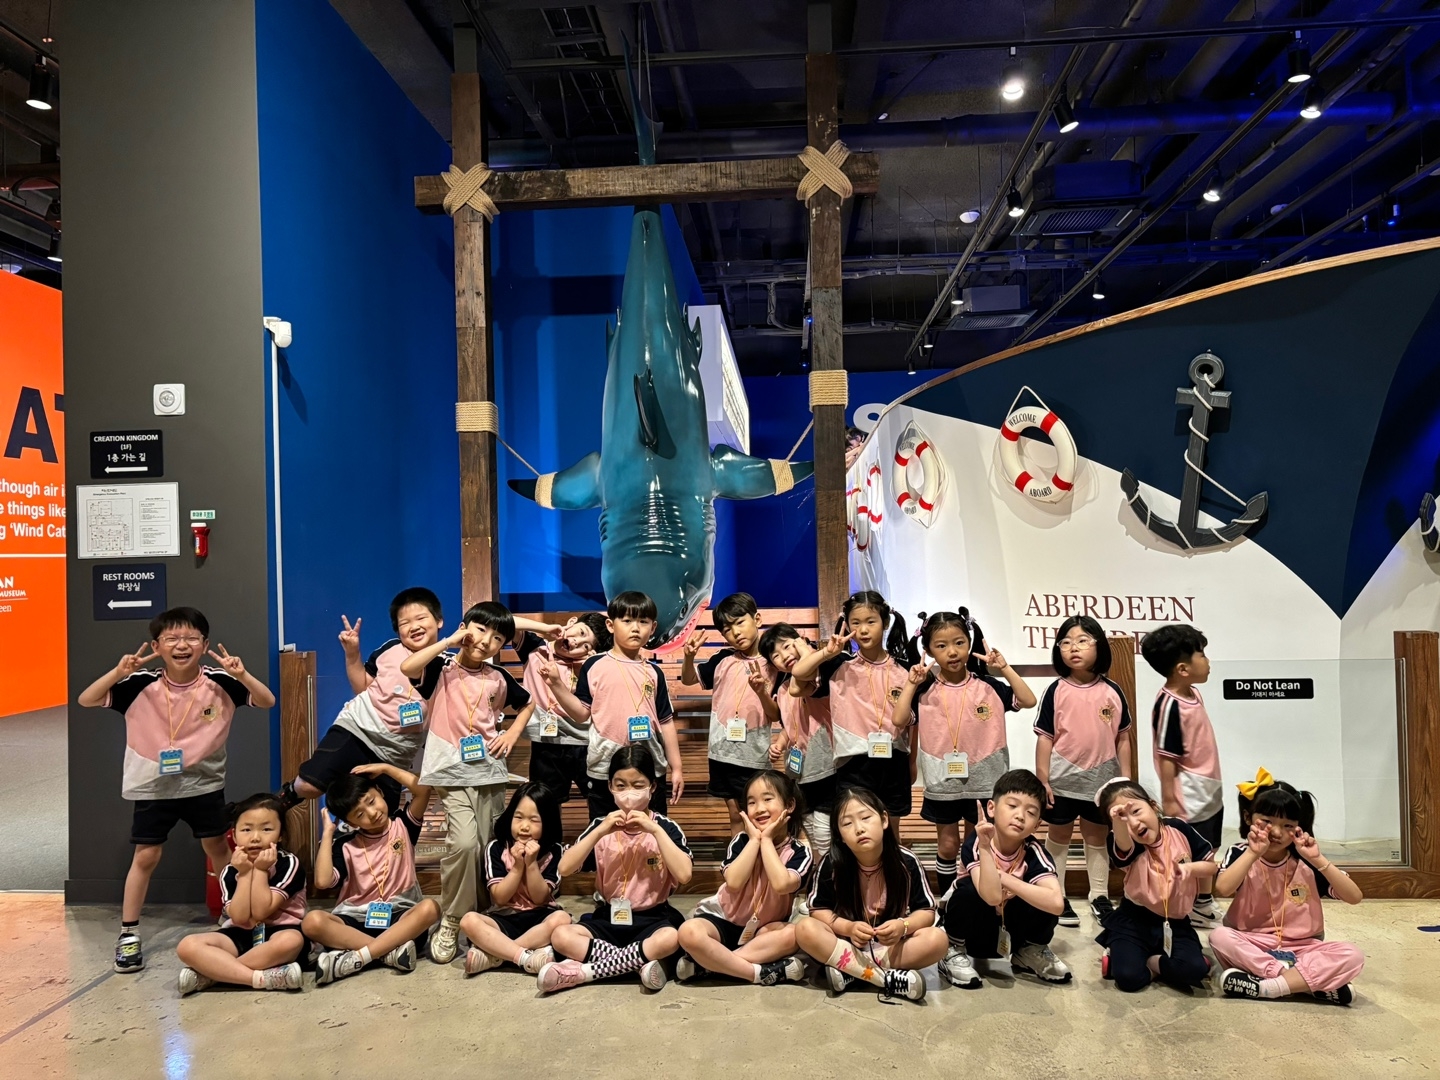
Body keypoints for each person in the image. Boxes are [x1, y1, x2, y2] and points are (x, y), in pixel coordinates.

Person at [78, 606, 276, 974]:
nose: (181, 645)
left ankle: (233, 919)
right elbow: (86, 699)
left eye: (191, 638)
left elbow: (267, 701)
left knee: (218, 849)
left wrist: (243, 674)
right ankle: (129, 933)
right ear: (156, 646)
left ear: (204, 645)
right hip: (152, 787)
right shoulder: (139, 684)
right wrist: (119, 673)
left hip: (204, 784)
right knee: (146, 856)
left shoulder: (221, 682)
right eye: (171, 638)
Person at [400, 601, 534, 963]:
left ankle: (482, 919)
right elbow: (408, 667)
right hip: (450, 771)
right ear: (464, 627)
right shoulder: (441, 667)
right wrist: (449, 640)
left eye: (498, 638)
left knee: (486, 845)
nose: (487, 641)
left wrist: (512, 734)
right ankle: (454, 918)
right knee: (462, 843)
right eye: (481, 630)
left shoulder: (498, 677)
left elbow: (527, 704)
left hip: (489, 771)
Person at [894, 611, 1035, 894]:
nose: (952, 651)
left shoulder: (989, 686)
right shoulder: (924, 691)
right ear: (928, 650)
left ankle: (973, 896)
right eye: (941, 645)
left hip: (986, 783)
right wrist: (911, 682)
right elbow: (899, 720)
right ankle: (948, 898)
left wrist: (1004, 668)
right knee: (947, 845)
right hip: (942, 785)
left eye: (959, 642)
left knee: (976, 844)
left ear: (969, 644)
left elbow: (1028, 700)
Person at [537, 745, 693, 994]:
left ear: (652, 787)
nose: (629, 792)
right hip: (609, 916)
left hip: (654, 919)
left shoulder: (666, 828)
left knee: (672, 938)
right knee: (560, 936)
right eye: (621, 785)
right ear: (610, 786)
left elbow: (684, 875)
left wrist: (654, 831)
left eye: (638, 785)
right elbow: (564, 868)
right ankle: (636, 964)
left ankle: (586, 972)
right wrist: (599, 831)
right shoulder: (601, 826)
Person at [279, 588, 448, 808]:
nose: (414, 626)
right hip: (359, 728)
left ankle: (344, 826)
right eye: (405, 623)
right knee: (309, 786)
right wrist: (352, 653)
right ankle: (285, 797)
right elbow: (362, 686)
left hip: (395, 752)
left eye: (421, 618)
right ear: (398, 630)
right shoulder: (390, 650)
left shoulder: (448, 668)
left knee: (380, 814)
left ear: (439, 621)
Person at [1212, 768, 1365, 1005]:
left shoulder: (1308, 860)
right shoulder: (1241, 853)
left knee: (1352, 955)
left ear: (1298, 826)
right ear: (1248, 818)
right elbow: (1222, 889)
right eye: (1267, 821)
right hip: (1253, 944)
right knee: (1219, 937)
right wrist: (1253, 853)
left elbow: (1354, 897)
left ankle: (1267, 987)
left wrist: (1318, 859)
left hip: (1304, 948)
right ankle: (1303, 984)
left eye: (1287, 825)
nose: (1276, 832)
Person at [793, 786, 948, 1003]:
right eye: (847, 823)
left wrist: (902, 926)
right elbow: (818, 910)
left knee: (938, 940)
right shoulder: (831, 864)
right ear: (840, 835)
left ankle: (851, 971)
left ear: (884, 820)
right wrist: (848, 928)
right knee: (805, 929)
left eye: (866, 818)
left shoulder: (907, 862)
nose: (859, 829)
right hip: (845, 944)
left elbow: (926, 911)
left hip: (891, 947)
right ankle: (886, 979)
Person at [540, 591, 685, 818]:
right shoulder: (593, 665)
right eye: (627, 621)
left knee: (651, 827)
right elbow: (581, 713)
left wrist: (676, 768)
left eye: (643, 621)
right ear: (610, 625)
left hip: (649, 767)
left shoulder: (655, 673)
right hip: (604, 767)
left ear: (653, 628)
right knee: (605, 827)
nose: (635, 628)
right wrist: (556, 684)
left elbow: (666, 723)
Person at [301, 763, 441, 985]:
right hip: (356, 921)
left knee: (430, 908)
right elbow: (323, 881)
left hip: (400, 919)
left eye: (371, 801)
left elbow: (423, 789)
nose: (373, 813)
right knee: (312, 922)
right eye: (360, 814)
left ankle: (358, 957)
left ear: (380, 792)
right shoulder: (346, 845)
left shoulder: (403, 826)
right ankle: (388, 954)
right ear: (350, 822)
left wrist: (386, 768)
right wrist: (328, 833)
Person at [1035, 615, 1133, 929]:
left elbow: (1123, 738)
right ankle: (1056, 893)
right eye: (1065, 642)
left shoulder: (1112, 690)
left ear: (1099, 646)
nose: (1073, 648)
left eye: (1082, 641)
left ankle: (1099, 895)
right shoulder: (1055, 690)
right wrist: (1043, 778)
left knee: (1096, 836)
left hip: (1102, 785)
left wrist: (1125, 782)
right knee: (1059, 835)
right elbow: (1045, 737)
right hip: (1061, 783)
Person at [791, 591, 919, 834]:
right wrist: (827, 652)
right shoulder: (839, 664)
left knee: (891, 831)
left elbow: (913, 723)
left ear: (885, 622)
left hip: (895, 761)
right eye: (856, 623)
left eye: (871, 621)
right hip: (853, 762)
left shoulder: (904, 669)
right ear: (847, 625)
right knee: (857, 828)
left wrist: (912, 762)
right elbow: (798, 674)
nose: (863, 630)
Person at [677, 770, 811, 986]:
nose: (759, 808)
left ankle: (710, 965)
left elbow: (781, 885)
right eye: (751, 802)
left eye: (768, 799)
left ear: (790, 805)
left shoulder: (799, 851)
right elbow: (734, 882)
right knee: (688, 932)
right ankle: (758, 973)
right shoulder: (741, 841)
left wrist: (767, 840)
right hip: (724, 920)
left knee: (793, 935)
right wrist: (755, 841)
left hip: (764, 931)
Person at [939, 769, 1069, 989]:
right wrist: (984, 847)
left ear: (1037, 825)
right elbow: (991, 897)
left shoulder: (1034, 852)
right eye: (1012, 806)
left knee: (1042, 897)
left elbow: (1057, 904)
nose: (1020, 816)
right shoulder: (977, 842)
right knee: (969, 890)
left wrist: (1004, 878)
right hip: (972, 932)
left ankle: (1029, 950)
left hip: (1008, 932)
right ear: (991, 808)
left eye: (1030, 812)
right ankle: (952, 949)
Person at [174, 793, 305, 995]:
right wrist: (244, 873)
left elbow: (261, 912)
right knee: (187, 946)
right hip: (240, 933)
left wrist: (260, 870)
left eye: (266, 829)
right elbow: (240, 917)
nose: (255, 837)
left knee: (291, 941)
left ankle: (214, 974)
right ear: (234, 835)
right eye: (246, 829)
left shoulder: (288, 863)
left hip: (280, 932)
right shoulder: (230, 870)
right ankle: (260, 978)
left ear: (281, 835)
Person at [1095, 778, 1216, 993]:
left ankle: (1151, 963)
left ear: (1153, 806)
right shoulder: (1129, 843)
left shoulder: (1177, 828)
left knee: (1195, 970)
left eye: (1136, 811)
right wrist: (1119, 824)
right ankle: (1128, 958)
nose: (1134, 823)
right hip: (1134, 921)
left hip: (1175, 922)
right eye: (1123, 818)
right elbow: (1123, 844)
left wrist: (1190, 869)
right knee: (1129, 979)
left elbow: (1211, 867)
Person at [1141, 624, 1223, 926]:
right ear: (1183, 669)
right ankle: (1188, 904)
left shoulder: (1194, 694)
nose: (1207, 660)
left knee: (1209, 847)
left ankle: (1203, 901)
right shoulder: (1169, 705)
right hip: (1189, 795)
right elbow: (1167, 757)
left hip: (1209, 789)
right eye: (1201, 654)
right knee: (1193, 850)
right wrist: (1171, 800)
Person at [681, 593, 781, 834]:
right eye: (727, 629)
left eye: (740, 622)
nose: (735, 632)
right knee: (736, 814)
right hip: (721, 754)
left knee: (757, 815)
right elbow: (688, 679)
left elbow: (776, 715)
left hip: (753, 755)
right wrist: (688, 657)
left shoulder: (774, 664)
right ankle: (737, 855)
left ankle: (763, 855)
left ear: (757, 619)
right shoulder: (723, 659)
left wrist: (761, 692)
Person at [460, 781, 573, 976]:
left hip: (540, 918)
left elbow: (540, 898)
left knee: (562, 919)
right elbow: (500, 898)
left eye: (534, 820)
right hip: (504, 917)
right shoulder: (496, 848)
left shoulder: (554, 851)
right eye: (518, 817)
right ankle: (526, 957)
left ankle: (497, 954)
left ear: (547, 822)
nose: (524, 827)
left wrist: (531, 864)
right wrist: (518, 866)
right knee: (468, 921)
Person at [760, 623, 844, 860]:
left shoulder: (814, 675)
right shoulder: (782, 689)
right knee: (809, 828)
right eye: (776, 656)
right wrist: (779, 743)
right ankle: (820, 872)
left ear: (800, 641)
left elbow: (801, 683)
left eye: (788, 646)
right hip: (799, 772)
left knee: (824, 830)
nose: (784, 656)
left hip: (827, 767)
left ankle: (831, 874)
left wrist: (807, 650)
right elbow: (789, 725)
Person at [513, 613, 611, 814]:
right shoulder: (535, 649)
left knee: (600, 801)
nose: (576, 642)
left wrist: (594, 667)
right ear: (572, 622)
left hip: (586, 743)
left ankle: (600, 834)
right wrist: (546, 628)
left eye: (586, 645)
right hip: (546, 744)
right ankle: (552, 836)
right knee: (545, 805)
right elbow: (502, 620)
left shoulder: (593, 666)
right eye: (580, 632)